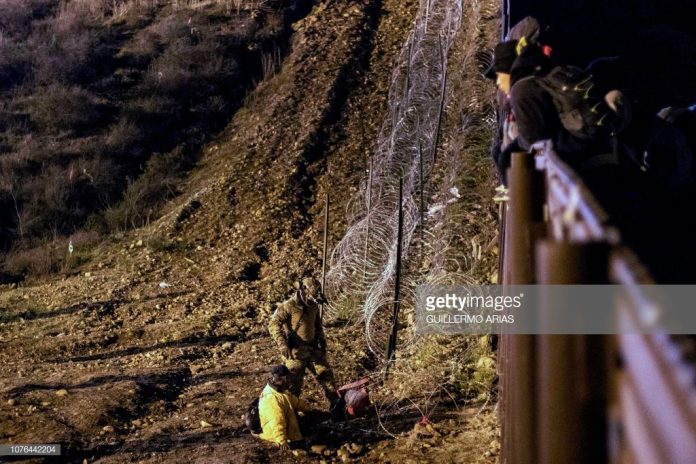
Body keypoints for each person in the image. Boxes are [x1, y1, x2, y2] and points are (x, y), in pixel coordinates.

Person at [269, 276, 338, 404]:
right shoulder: (289, 306)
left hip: (312, 348)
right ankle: (291, 411)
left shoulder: (314, 306)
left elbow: (317, 325)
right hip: (296, 352)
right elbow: (273, 324)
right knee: (292, 386)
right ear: (304, 291)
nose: (313, 300)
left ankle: (336, 405)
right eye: (312, 296)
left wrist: (322, 340)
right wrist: (282, 344)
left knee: (327, 378)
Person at [258, 365, 311, 450]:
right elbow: (276, 420)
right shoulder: (271, 398)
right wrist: (281, 440)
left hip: (286, 429)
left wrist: (308, 409)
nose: (289, 380)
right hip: (274, 435)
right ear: (280, 379)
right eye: (287, 378)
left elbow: (296, 402)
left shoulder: (280, 392)